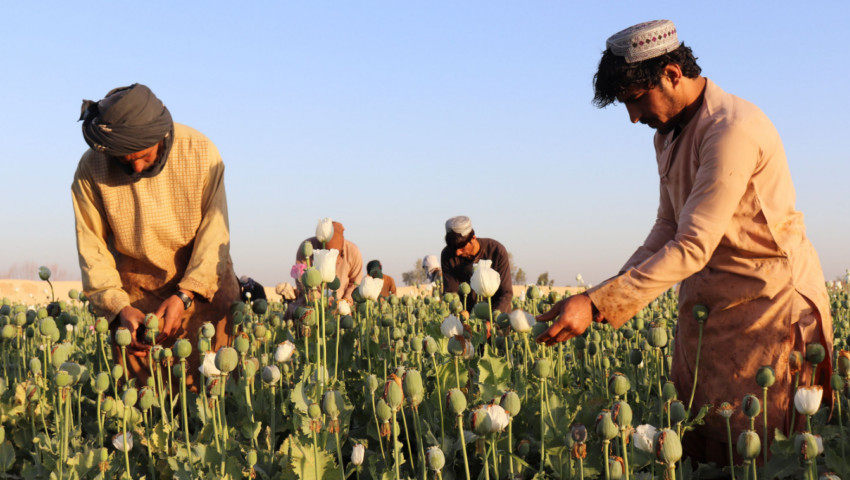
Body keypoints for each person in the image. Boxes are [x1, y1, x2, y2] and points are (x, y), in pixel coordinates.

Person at [535, 20, 833, 464]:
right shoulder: (668, 134)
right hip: (708, 310)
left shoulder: (730, 130)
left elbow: (692, 244)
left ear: (673, 74)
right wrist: (597, 295)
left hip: (766, 309)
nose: (633, 117)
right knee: (702, 445)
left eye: (636, 100)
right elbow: (667, 226)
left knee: (762, 454)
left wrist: (597, 305)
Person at [72, 84, 240, 391]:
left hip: (205, 289)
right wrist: (119, 308)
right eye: (124, 160)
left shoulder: (200, 152)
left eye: (143, 155)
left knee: (216, 395)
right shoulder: (91, 168)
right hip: (137, 300)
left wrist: (185, 295)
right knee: (147, 408)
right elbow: (92, 249)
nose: (135, 166)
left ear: (160, 136)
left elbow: (215, 234)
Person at [441, 216, 512, 313]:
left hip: (497, 315)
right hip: (467, 317)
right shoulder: (447, 255)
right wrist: (460, 313)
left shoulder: (496, 251)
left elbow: (506, 293)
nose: (457, 253)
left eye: (461, 247)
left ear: (473, 238)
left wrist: (494, 318)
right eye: (453, 248)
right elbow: (451, 292)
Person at [294, 221, 363, 304]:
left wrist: (344, 302)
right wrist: (319, 300)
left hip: (342, 302)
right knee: (295, 311)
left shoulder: (353, 251)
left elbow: (355, 282)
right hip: (314, 301)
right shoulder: (307, 248)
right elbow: (301, 279)